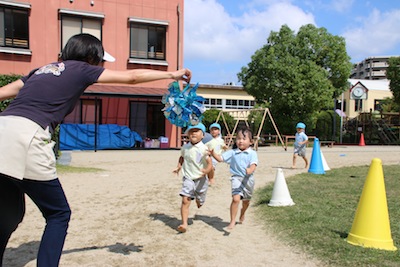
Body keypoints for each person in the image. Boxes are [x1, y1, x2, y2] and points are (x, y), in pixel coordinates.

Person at [0, 33, 192, 267]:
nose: (101, 66)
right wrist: (172, 74)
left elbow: (2, 92)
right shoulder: (82, 69)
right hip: (27, 136)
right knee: (58, 214)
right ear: (91, 57)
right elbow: (132, 77)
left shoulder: (41, 70)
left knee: (8, 215)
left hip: (3, 127)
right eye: (100, 60)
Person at [211, 127, 258, 230]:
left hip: (248, 180)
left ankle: (242, 213)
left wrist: (250, 170)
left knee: (246, 201)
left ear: (251, 142)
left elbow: (254, 164)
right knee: (236, 199)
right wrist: (212, 153)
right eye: (238, 138)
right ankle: (232, 221)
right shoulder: (232, 152)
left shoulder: (252, 153)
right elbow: (220, 159)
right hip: (236, 178)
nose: (240, 141)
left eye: (244, 139)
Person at [173, 123, 212, 233]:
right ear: (188, 134)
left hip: (201, 178)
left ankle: (200, 200)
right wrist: (178, 167)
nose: (193, 133)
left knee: (200, 199)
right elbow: (182, 157)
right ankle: (184, 224)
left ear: (203, 135)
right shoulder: (185, 147)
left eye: (197, 131)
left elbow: (210, 164)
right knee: (185, 199)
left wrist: (206, 171)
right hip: (188, 177)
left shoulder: (204, 149)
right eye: (191, 131)